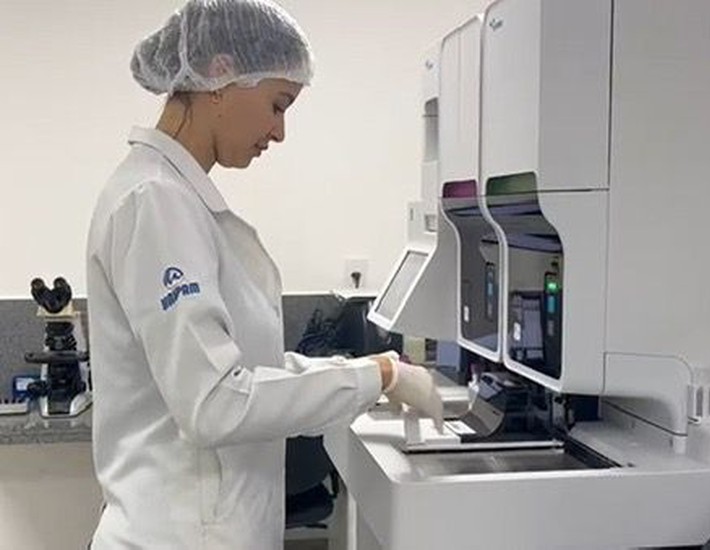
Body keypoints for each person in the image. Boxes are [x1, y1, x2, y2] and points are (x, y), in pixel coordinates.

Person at [85, 1, 443, 548]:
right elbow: (215, 404)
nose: (279, 132)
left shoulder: (176, 198)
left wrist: (365, 374)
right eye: (278, 105)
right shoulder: (154, 200)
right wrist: (377, 376)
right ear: (221, 75)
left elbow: (251, 371)